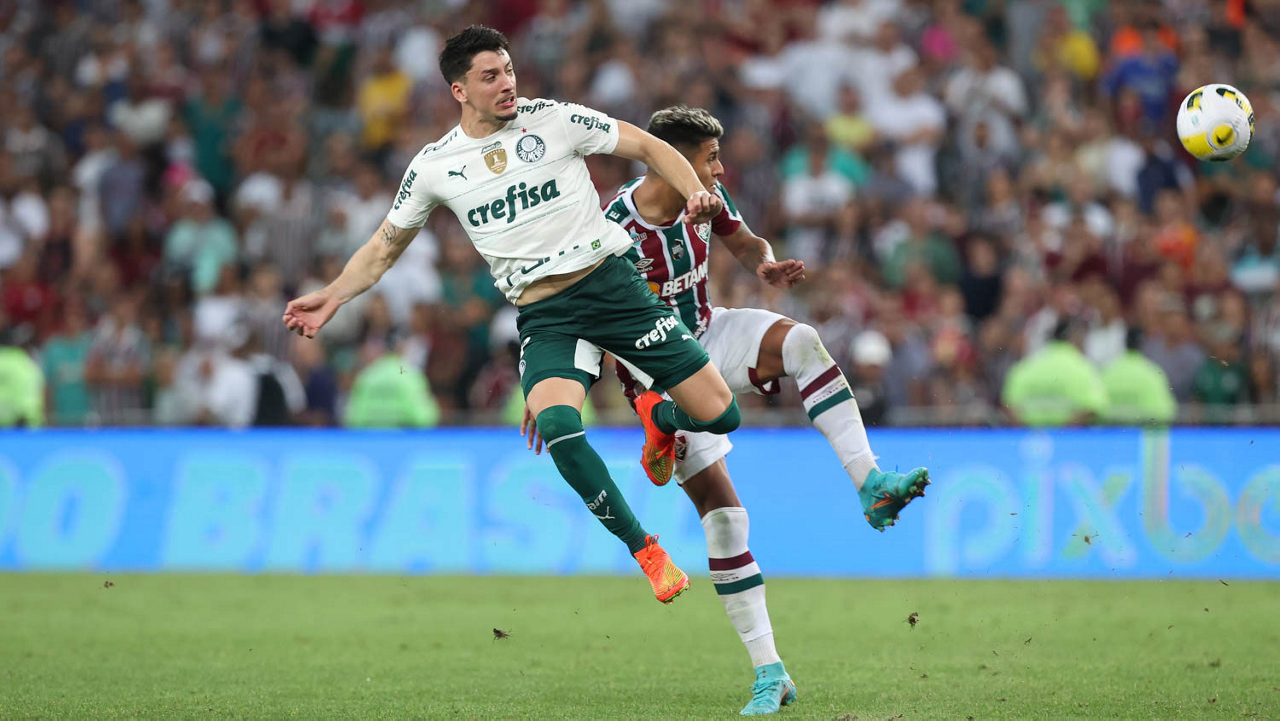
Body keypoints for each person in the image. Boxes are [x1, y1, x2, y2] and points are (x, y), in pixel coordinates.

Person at [282, 26, 741, 605]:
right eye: (490, 76)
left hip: (613, 288)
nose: (507, 84)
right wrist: (333, 295)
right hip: (545, 314)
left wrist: (696, 190)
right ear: (459, 90)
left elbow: (650, 146)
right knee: (557, 427)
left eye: (509, 70)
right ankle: (646, 551)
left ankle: (660, 416)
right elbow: (383, 247)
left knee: (722, 416)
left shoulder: (554, 119)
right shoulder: (435, 166)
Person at [525, 106, 929, 716]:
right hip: (656, 375)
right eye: (710, 158)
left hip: (709, 333)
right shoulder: (610, 228)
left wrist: (764, 263)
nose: (720, 169)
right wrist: (547, 386)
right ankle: (771, 672)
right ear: (674, 158)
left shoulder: (707, 200)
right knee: (725, 522)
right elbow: (573, 313)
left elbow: (744, 242)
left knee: (802, 341)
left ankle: (870, 482)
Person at [1002, 318, 1110, 426]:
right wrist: (1064, 432)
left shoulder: (1026, 366)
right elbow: (1093, 407)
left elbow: (1008, 405)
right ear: (1077, 339)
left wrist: (1030, 431)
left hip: (1030, 434)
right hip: (1070, 435)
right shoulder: (1083, 367)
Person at [1101, 327, 1176, 425]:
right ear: (1144, 344)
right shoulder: (1152, 373)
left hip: (1110, 433)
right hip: (1143, 433)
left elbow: (1097, 411)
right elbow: (1165, 413)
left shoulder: (1107, 371)